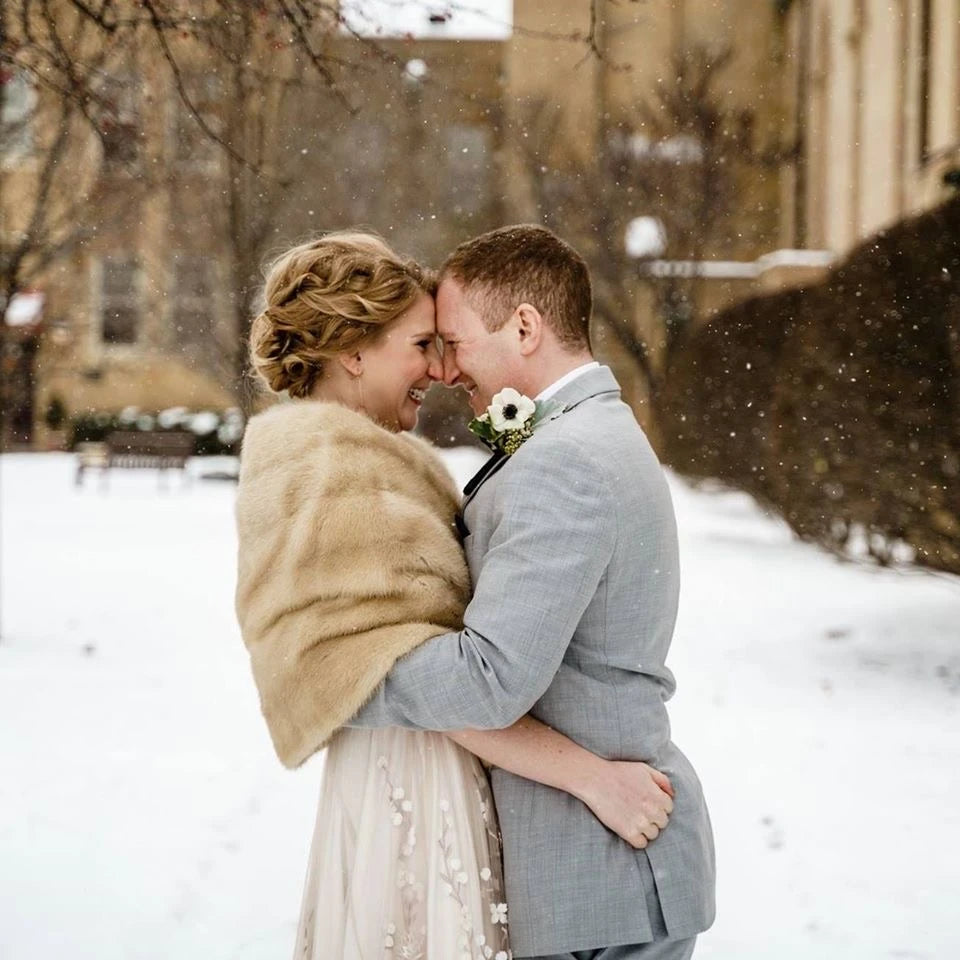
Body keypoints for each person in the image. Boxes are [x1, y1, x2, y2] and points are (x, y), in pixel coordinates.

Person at [234, 231, 677, 960]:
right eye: (423, 342)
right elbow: (429, 669)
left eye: (448, 341)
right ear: (353, 351)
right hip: (414, 781)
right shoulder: (334, 472)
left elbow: (461, 668)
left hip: (490, 799)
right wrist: (337, 683)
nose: (441, 369)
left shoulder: (535, 455)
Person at [348, 224, 716, 960]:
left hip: (599, 874)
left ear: (524, 326)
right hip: (594, 869)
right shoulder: (585, 435)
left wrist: (342, 678)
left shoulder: (569, 458)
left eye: (453, 341)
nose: (447, 371)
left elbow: (489, 681)